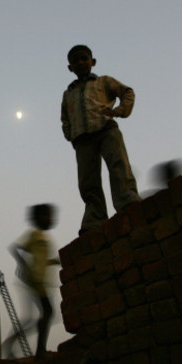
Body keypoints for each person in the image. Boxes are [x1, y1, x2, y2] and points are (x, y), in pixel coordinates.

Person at [61, 44, 141, 234]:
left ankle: (127, 200)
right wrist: (70, 134)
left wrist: (120, 111)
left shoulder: (103, 82)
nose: (80, 62)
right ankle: (94, 219)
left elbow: (127, 92)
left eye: (84, 58)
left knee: (118, 165)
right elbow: (65, 118)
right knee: (88, 181)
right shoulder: (68, 93)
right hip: (82, 139)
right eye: (75, 61)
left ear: (93, 62)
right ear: (70, 68)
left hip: (106, 129)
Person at [3, 204, 60, 359]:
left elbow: (41, 260)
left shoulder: (42, 237)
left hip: (38, 282)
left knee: (35, 316)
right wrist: (24, 267)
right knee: (47, 313)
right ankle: (39, 350)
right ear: (37, 218)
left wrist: (54, 262)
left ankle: (11, 343)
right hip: (35, 281)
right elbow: (14, 248)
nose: (50, 219)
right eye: (46, 215)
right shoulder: (35, 235)